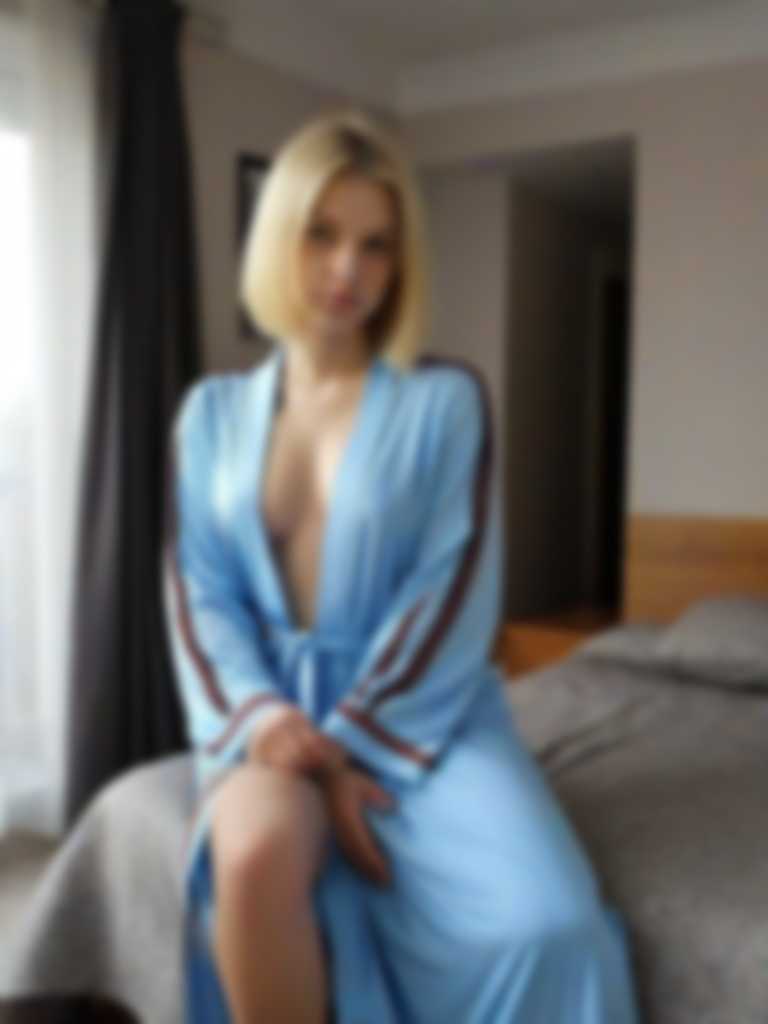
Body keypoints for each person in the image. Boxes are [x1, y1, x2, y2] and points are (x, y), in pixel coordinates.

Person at [162, 107, 640, 1023]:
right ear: (277, 236)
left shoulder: (445, 401)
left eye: (376, 245)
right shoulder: (208, 415)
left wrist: (346, 744)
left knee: (550, 927)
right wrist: (266, 722)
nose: (348, 269)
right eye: (322, 234)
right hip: (264, 711)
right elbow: (199, 592)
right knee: (251, 855)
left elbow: (450, 593)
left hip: (423, 712)